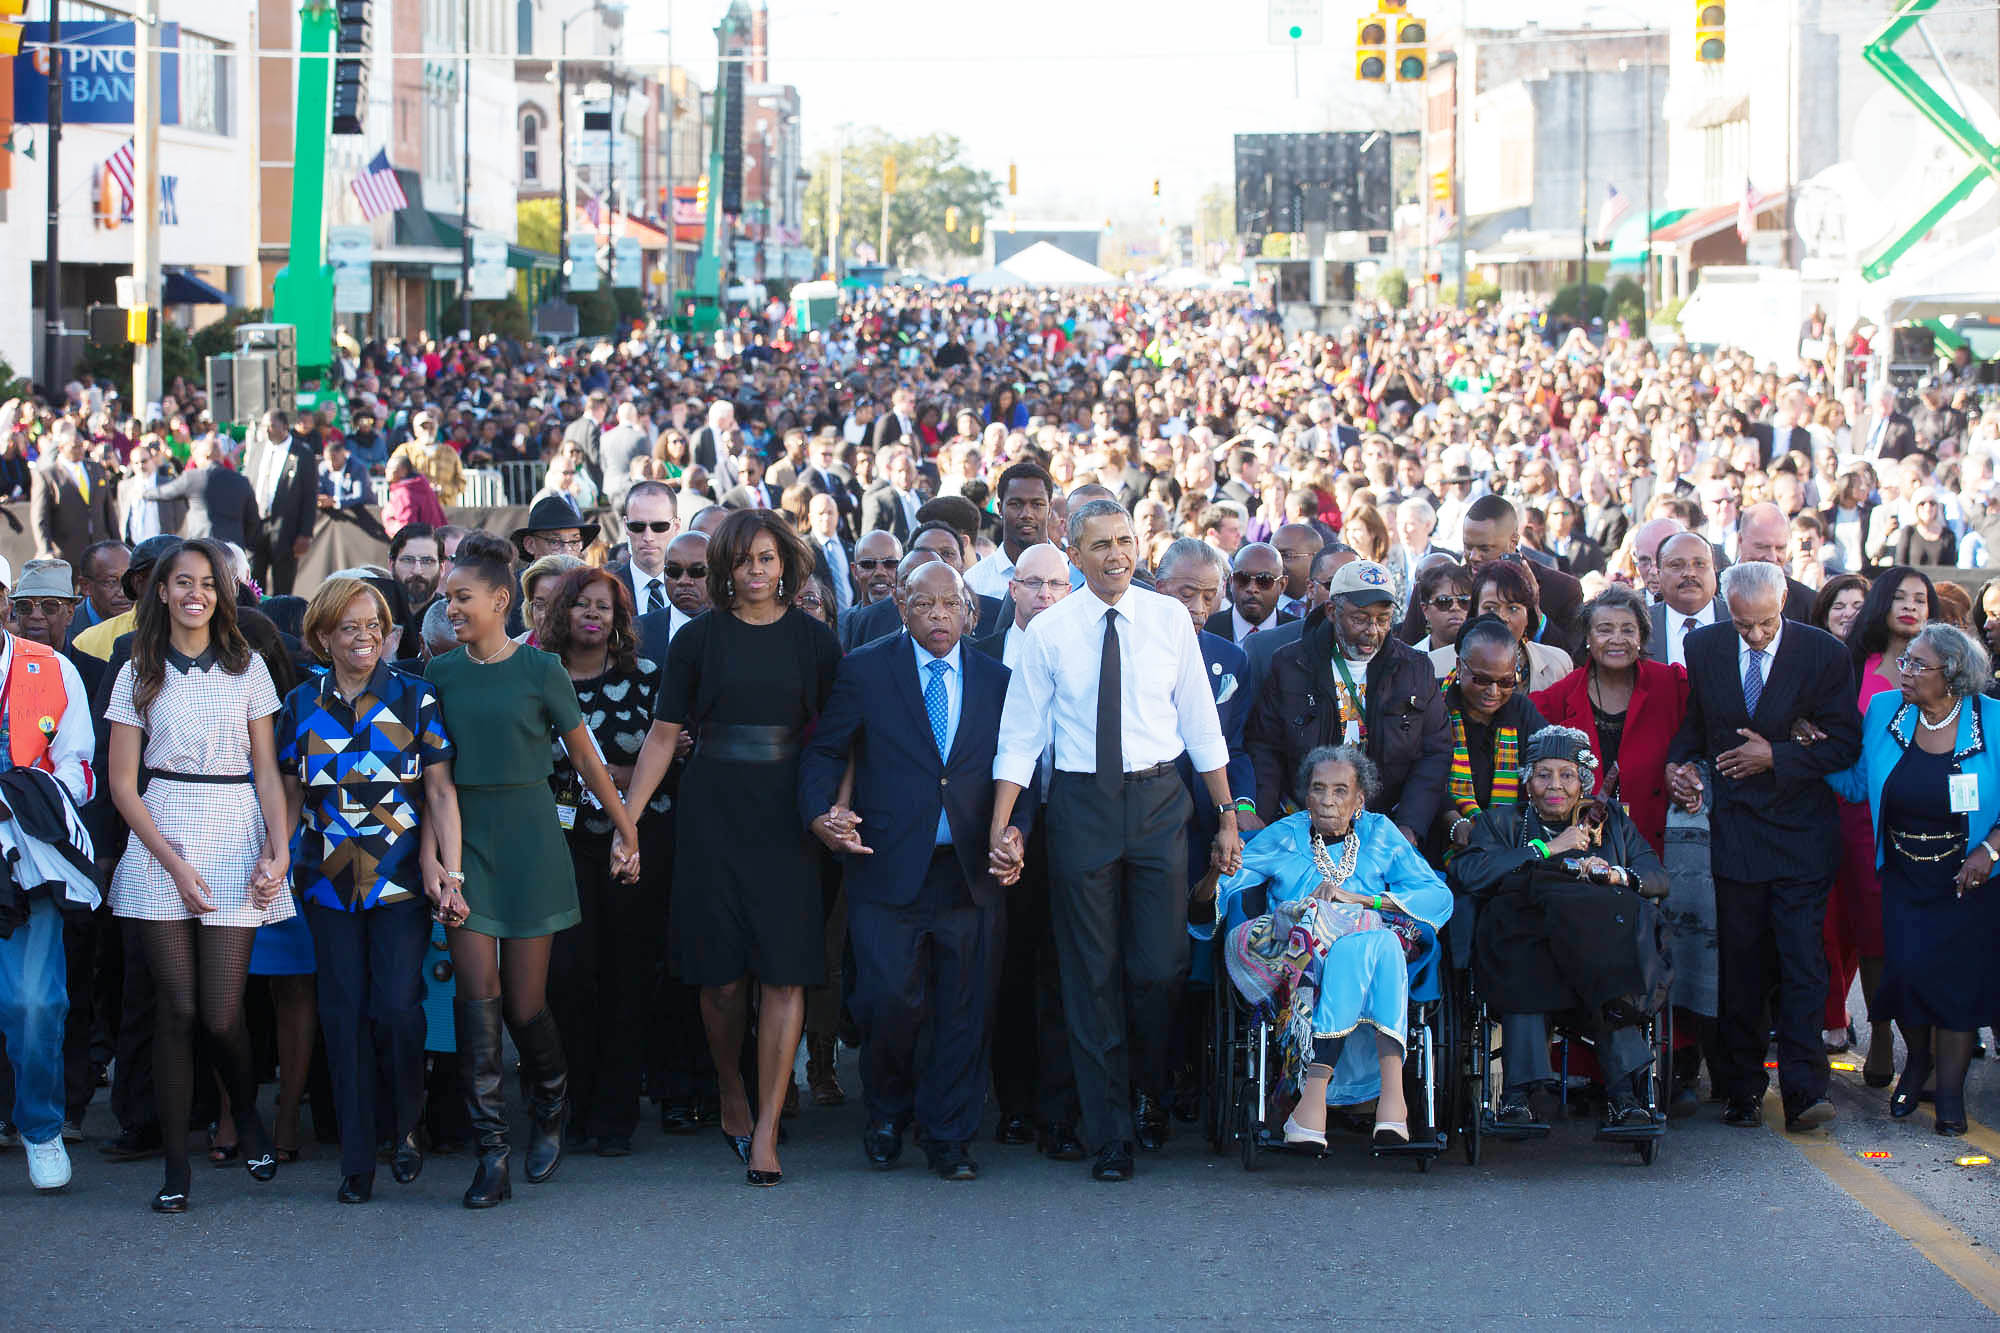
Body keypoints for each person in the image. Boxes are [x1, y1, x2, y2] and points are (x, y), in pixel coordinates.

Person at [989, 498, 1238, 1182]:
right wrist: (1000, 827)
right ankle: (1109, 1132)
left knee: (1157, 968)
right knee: (1089, 972)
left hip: (1161, 801)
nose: (1116, 555)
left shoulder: (1167, 620)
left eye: (1125, 541)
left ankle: (1148, 1086)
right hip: (1080, 802)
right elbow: (1020, 736)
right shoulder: (1051, 630)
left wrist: (1224, 815)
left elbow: (1201, 724)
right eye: (1100, 544)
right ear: (1073, 550)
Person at [621, 509, 842, 1187]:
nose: (755, 571)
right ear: (724, 567)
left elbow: (836, 740)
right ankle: (730, 1086)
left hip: (788, 817)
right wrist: (628, 824)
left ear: (786, 565)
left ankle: (768, 1127)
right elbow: (662, 736)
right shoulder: (697, 641)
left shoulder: (815, 640)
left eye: (767, 559)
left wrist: (831, 811)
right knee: (719, 981)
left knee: (782, 972)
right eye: (743, 560)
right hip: (711, 810)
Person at [424, 531, 640, 1209]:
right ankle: (492, 1151)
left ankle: (551, 1099)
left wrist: (627, 829)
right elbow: (431, 783)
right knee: (475, 999)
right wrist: (438, 860)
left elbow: (585, 758)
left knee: (524, 1004)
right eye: (446, 598)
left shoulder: (540, 670)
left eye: (462, 597)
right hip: (467, 844)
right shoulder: (440, 673)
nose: (451, 607)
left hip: (531, 840)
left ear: (497, 599)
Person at [800, 562, 1025, 1181]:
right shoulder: (865, 670)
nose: (936, 617)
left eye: (948, 605)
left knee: (964, 1008)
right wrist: (822, 814)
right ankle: (887, 1115)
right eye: (922, 605)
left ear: (969, 611)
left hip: (970, 873)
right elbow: (825, 750)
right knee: (888, 1003)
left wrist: (1016, 831)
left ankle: (949, 1134)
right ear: (901, 607)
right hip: (887, 868)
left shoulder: (998, 680)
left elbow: (1019, 764)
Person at [104, 539, 292, 1213]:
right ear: (159, 591)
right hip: (162, 835)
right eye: (181, 582)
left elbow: (269, 772)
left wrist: (280, 849)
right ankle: (177, 1168)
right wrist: (174, 862)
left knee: (220, 1014)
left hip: (234, 828)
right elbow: (124, 785)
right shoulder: (138, 669)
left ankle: (248, 1115)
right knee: (176, 1009)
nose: (195, 593)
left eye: (207, 583)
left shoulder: (247, 667)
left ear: (223, 591)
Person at [276, 576, 459, 1204]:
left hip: (401, 879)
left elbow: (438, 792)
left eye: (374, 626)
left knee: (400, 1013)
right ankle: (357, 1159)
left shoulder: (416, 697)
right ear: (324, 635)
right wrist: (276, 859)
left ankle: (407, 1124)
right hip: (326, 884)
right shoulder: (300, 705)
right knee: (342, 1016)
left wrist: (447, 869)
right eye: (350, 627)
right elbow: (290, 795)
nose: (365, 638)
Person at [1668, 560, 1860, 1132]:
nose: (1753, 634)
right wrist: (1680, 767)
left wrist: (1776, 755)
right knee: (1742, 965)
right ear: (1726, 610)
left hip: (1801, 830)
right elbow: (1695, 728)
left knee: (1802, 963)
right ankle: (1741, 1088)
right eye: (1743, 624)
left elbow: (1844, 744)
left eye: (1765, 624)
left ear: (1784, 606)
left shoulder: (1823, 653)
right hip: (1736, 831)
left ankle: (1804, 1091)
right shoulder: (1704, 648)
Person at [1197, 745, 1451, 1147]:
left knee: (1372, 936)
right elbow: (1229, 882)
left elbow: (1436, 895)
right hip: (1302, 953)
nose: (1328, 801)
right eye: (1318, 789)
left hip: (1368, 944)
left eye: (1340, 790)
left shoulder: (1381, 833)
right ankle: (1392, 1101)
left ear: (1359, 799)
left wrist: (1363, 901)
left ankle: (1313, 1103)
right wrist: (1215, 875)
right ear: (1305, 794)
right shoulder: (1284, 835)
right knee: (1365, 938)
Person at [1448, 725, 1671, 1133]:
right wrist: (1546, 849)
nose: (1555, 785)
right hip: (1526, 951)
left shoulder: (1613, 824)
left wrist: (1616, 874)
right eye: (1543, 774)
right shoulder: (1501, 822)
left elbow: (1657, 877)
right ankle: (1518, 1096)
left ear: (1582, 781)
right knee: (1520, 951)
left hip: (1598, 953)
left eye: (1567, 775)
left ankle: (1625, 1096)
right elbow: (1471, 873)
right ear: (1527, 781)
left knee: (1610, 959)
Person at [1827, 624, 2000, 1137]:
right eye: (1904, 663)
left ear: (1951, 673)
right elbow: (1858, 783)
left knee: (1957, 988)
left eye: (1916, 665)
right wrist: (1813, 755)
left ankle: (1948, 1093)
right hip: (1904, 876)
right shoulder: (1885, 712)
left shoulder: (1992, 721)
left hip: (1970, 882)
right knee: (1907, 977)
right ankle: (1917, 1063)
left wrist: (1989, 851)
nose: (1903, 672)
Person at [539, 566, 670, 1158]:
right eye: (582, 605)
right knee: (567, 978)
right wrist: (617, 772)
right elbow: (534, 765)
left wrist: (605, 778)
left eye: (605, 608)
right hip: (556, 849)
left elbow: (665, 760)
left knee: (625, 977)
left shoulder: (645, 679)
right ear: (561, 612)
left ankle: (614, 1118)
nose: (593, 615)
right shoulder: (539, 676)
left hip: (632, 846)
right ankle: (570, 1104)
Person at [972, 542, 1081, 1158]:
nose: (1044, 595)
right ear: (1010, 587)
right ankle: (1013, 1103)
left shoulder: (1083, 654)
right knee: (1006, 972)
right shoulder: (979, 655)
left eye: (1056, 585)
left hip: (1070, 831)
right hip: (996, 835)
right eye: (1032, 583)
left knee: (1064, 973)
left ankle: (1057, 1106)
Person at [0, 558, 100, 1192]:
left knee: (34, 1003)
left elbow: (80, 770)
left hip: (27, 859)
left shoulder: (51, 668)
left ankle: (40, 1127)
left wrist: (19, 800)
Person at [1249, 559, 1448, 840]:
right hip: (1304, 822)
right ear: (1331, 611)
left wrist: (1410, 825)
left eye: (1383, 619)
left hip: (1384, 825)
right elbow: (1264, 745)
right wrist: (1264, 819)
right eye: (1360, 618)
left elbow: (1434, 752)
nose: (1372, 631)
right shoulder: (1292, 664)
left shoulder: (1415, 668)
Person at [1833, 566, 1938, 1075]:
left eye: (1920, 599)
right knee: (1873, 931)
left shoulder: (1951, 669)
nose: (1911, 606)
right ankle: (1878, 1033)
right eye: (1899, 597)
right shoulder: (1855, 665)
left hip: (1932, 815)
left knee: (1928, 930)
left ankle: (1930, 1042)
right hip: (1862, 816)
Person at [1532, 585, 1689, 857]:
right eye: (1605, 629)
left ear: (1641, 636)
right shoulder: (1558, 698)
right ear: (1588, 638)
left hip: (1654, 843)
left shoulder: (1671, 685)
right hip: (1582, 849)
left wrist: (1682, 767)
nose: (1617, 639)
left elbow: (1698, 738)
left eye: (1628, 630)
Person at [1432, 616, 1550, 868]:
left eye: (1506, 681)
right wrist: (1454, 821)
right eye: (1482, 680)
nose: (1494, 692)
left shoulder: (1521, 710)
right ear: (1460, 666)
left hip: (1510, 846)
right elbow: (1420, 775)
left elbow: (1548, 762)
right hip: (1441, 846)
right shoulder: (1433, 703)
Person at [1458, 493, 1584, 651]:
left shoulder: (1563, 589)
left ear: (1513, 542)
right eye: (1468, 546)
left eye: (1485, 548)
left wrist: (1535, 612)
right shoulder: (1446, 589)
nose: (1473, 556)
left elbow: (1573, 660)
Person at [1430, 560, 1573, 692]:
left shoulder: (1557, 664)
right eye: (1490, 608)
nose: (1502, 617)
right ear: (1475, 611)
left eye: (1513, 608)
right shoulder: (1435, 666)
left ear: (1527, 615)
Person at [244, 411, 321, 597]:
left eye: (270, 426)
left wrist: (305, 533)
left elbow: (310, 497)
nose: (266, 430)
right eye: (263, 426)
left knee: (283, 586)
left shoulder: (303, 455)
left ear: (285, 427)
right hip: (256, 526)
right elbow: (248, 485)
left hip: (286, 530)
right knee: (252, 585)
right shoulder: (257, 449)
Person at [1648, 531, 1726, 668]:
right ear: (1659, 575)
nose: (1689, 573)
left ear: (1714, 570)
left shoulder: (1738, 621)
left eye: (1699, 564)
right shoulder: (1641, 626)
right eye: (1676, 565)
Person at [388, 410, 466, 508]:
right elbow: (392, 478)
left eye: (432, 426)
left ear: (437, 429)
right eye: (424, 426)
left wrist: (444, 490)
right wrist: (419, 489)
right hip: (413, 508)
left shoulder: (450, 452)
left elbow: (461, 482)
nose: (428, 429)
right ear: (415, 430)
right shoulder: (404, 450)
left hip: (445, 509)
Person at [10, 559, 80, 650]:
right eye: (25, 606)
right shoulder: (4, 663)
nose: (36, 615)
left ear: (70, 613)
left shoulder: (90, 664)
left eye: (49, 606)